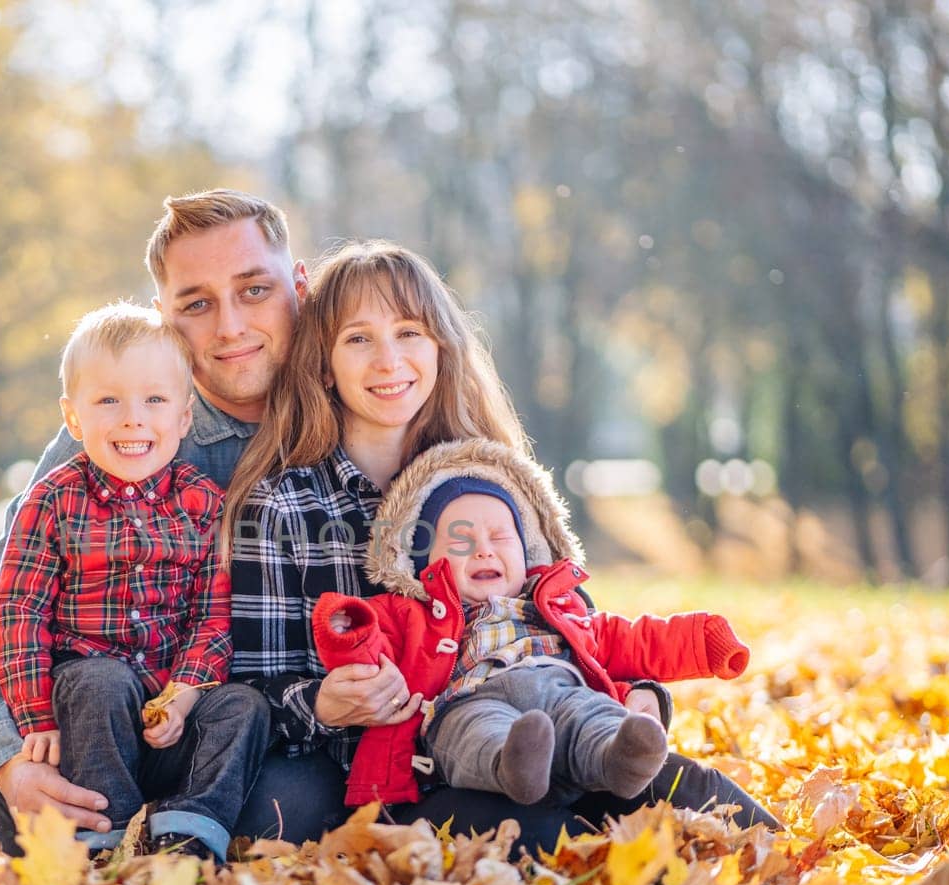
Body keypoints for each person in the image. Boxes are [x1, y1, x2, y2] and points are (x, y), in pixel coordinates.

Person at [0, 191, 776, 851]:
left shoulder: (396, 421)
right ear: (161, 319)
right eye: (194, 304)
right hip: (114, 718)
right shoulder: (122, 430)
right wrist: (6, 753)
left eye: (253, 290)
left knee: (344, 801)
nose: (229, 325)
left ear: (296, 290)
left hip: (301, 736)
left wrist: (610, 680)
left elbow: (531, 590)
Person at [224, 238, 780, 836]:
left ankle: (784, 864)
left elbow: (565, 618)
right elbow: (256, 687)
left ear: (440, 346)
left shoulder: (487, 477)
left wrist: (644, 694)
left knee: (680, 790)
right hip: (413, 767)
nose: (388, 361)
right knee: (532, 829)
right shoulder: (283, 504)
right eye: (358, 339)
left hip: (558, 720)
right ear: (324, 364)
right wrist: (323, 704)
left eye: (409, 332)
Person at [311, 437, 752, 809]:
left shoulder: (558, 610)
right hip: (469, 702)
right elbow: (370, 643)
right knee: (474, 735)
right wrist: (349, 629)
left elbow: (636, 640)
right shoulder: (416, 613)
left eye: (500, 538)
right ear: (427, 565)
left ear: (528, 554)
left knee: (592, 716)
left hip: (561, 692)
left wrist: (705, 641)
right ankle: (513, 763)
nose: (484, 551)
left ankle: (618, 756)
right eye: (461, 541)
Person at [0, 302, 267, 860]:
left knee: (245, 707)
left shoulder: (203, 504)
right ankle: (105, 830)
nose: (132, 418)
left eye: (155, 400)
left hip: (174, 708)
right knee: (99, 681)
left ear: (183, 418)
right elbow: (18, 609)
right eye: (109, 400)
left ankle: (191, 826)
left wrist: (185, 697)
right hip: (88, 720)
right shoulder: (54, 500)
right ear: (74, 418)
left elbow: (211, 616)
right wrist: (35, 717)